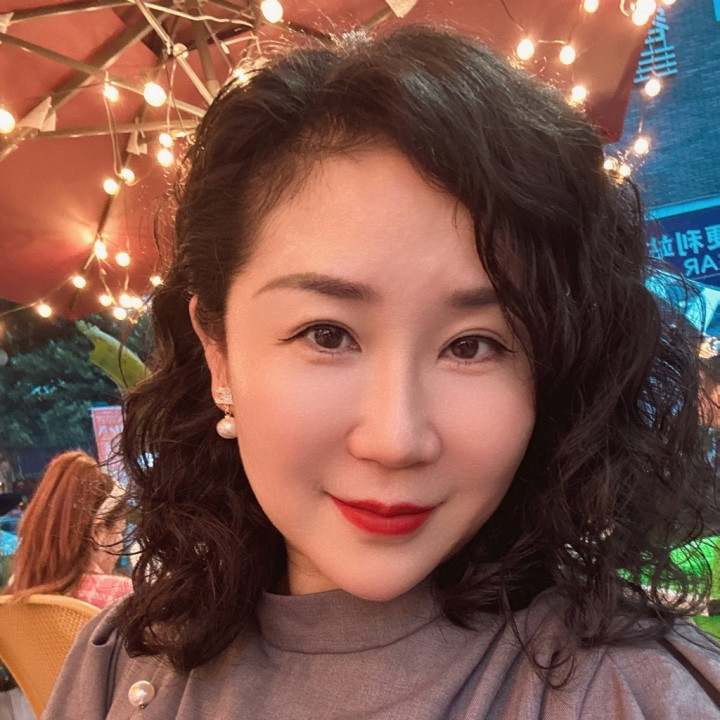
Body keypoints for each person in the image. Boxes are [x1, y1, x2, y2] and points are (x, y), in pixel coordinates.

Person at [44, 26, 720, 718]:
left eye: (472, 345)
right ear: (218, 352)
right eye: (327, 335)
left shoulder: (634, 694)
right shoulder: (121, 669)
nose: (396, 440)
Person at [6, 450, 131, 610]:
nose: (120, 545)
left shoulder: (15, 592)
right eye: (120, 532)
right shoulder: (120, 595)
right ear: (97, 533)